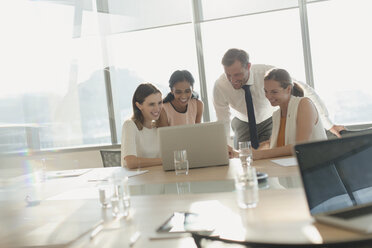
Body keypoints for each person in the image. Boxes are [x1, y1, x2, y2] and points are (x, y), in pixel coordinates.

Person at [213, 48, 345, 148]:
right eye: (228, 75)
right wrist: (224, 147)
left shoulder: (267, 73)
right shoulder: (220, 86)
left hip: (269, 118)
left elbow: (305, 89)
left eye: (237, 75)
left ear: (248, 67)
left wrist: (329, 125)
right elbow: (222, 120)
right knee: (245, 156)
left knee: (271, 153)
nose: (233, 80)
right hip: (243, 121)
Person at [253, 68, 327, 160]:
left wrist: (259, 154)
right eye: (266, 91)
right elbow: (271, 143)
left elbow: (299, 146)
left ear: (288, 89)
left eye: (274, 92)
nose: (268, 96)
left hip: (313, 168)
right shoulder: (276, 115)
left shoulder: (304, 104)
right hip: (289, 169)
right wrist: (244, 153)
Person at [121, 83, 163, 169]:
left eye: (159, 103)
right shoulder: (130, 125)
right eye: (151, 104)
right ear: (139, 105)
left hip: (157, 178)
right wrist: (164, 160)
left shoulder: (158, 128)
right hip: (138, 180)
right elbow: (131, 162)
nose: (157, 108)